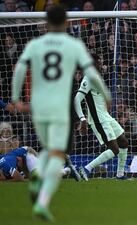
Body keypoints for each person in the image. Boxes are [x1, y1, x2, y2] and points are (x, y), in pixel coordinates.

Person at [11, 5, 111, 221]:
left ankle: (39, 176)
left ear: (46, 23)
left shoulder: (36, 44)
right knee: (57, 152)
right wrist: (106, 94)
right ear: (66, 23)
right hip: (58, 105)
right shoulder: (72, 45)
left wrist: (16, 99)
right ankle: (42, 196)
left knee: (51, 148)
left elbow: (19, 68)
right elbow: (92, 73)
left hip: (39, 105)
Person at [74, 53, 129, 181]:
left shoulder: (97, 77)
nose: (101, 64)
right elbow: (77, 100)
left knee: (124, 142)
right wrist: (83, 119)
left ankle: (120, 174)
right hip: (98, 119)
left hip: (106, 117)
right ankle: (86, 168)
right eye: (99, 62)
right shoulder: (88, 78)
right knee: (114, 149)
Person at [0, 146, 81, 182]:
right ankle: (66, 168)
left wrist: (5, 182)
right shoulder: (3, 165)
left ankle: (65, 165)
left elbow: (19, 178)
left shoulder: (5, 165)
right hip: (24, 159)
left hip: (27, 154)